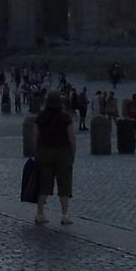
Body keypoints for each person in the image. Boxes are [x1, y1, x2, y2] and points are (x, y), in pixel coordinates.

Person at [32, 91, 76, 227]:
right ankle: (64, 215)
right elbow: (71, 137)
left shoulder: (41, 117)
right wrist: (73, 153)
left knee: (44, 183)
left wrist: (36, 151)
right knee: (64, 184)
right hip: (63, 152)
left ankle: (40, 213)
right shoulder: (65, 117)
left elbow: (35, 136)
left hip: (45, 151)